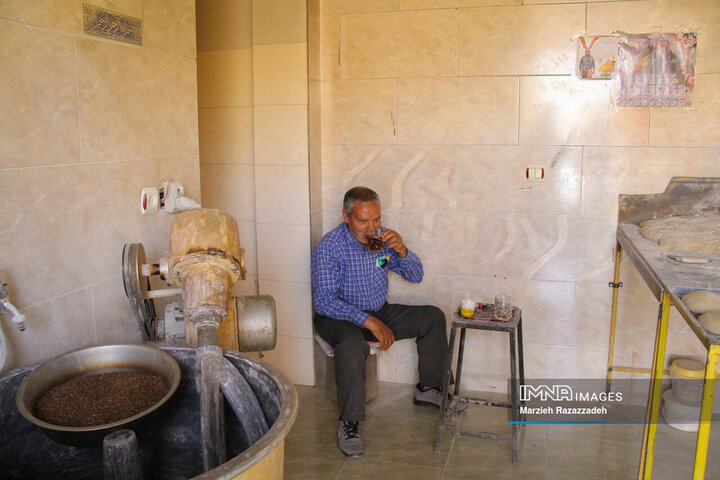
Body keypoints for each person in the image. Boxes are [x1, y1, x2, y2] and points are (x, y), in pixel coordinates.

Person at [311, 186, 465, 458]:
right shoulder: (331, 247)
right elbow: (323, 301)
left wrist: (402, 250)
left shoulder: (380, 239)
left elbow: (416, 276)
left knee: (432, 317)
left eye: (376, 219)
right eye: (363, 221)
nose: (372, 227)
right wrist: (367, 320)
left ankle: (429, 389)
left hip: (377, 311)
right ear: (346, 217)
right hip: (335, 317)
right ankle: (350, 422)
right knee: (351, 342)